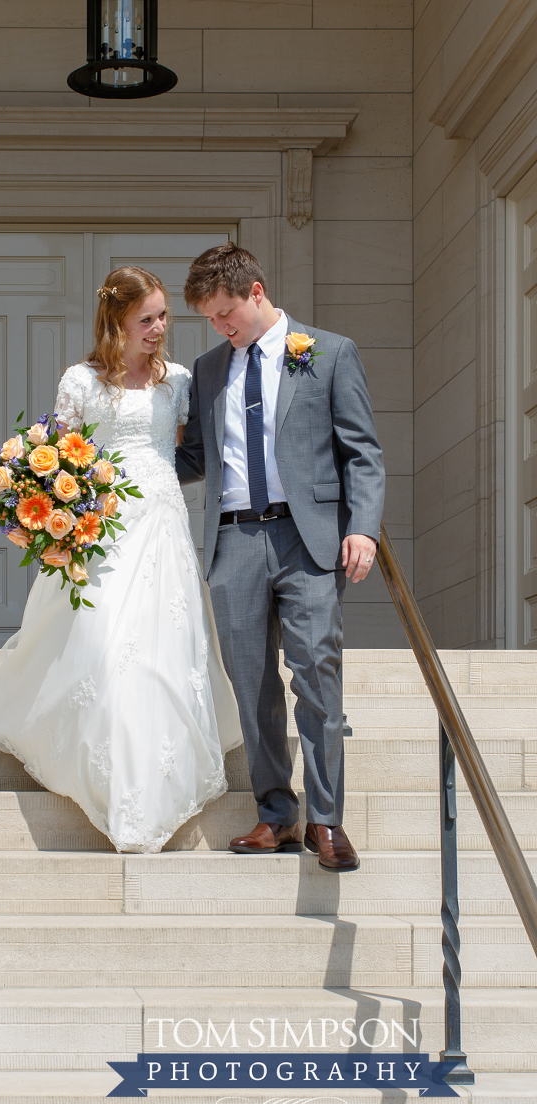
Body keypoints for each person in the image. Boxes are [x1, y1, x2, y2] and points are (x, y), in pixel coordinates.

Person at [0, 266, 243, 853]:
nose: (160, 328)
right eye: (148, 319)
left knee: (161, 649)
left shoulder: (180, 380)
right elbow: (58, 454)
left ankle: (150, 791)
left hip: (162, 523)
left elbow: (188, 452)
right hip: (102, 530)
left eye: (164, 316)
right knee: (105, 643)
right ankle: (113, 785)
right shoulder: (81, 382)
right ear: (117, 321)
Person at [176, 243, 385, 871]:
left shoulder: (328, 353)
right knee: (251, 684)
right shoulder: (209, 369)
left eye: (226, 312)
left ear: (257, 292)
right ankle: (275, 815)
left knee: (316, 674)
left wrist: (365, 529)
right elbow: (195, 458)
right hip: (233, 540)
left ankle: (326, 820)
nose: (221, 327)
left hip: (309, 538)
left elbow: (362, 453)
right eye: (211, 319)